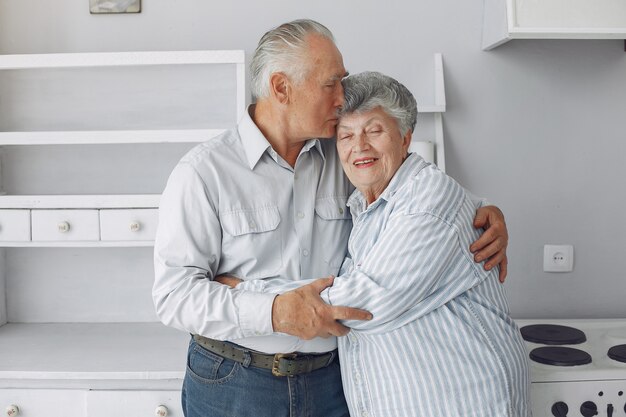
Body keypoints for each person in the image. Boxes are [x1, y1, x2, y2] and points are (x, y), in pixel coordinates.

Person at [153, 19, 510, 417]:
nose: (343, 97)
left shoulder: (344, 154)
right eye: (331, 84)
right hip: (235, 380)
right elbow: (173, 296)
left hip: (334, 382)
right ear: (282, 88)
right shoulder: (203, 173)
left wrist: (481, 210)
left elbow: (411, 188)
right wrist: (273, 310)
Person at [236, 71, 530, 416]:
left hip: (462, 401)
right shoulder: (363, 205)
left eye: (374, 131)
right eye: (346, 135)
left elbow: (367, 302)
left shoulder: (429, 198)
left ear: (405, 138)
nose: (359, 146)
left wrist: (245, 292)